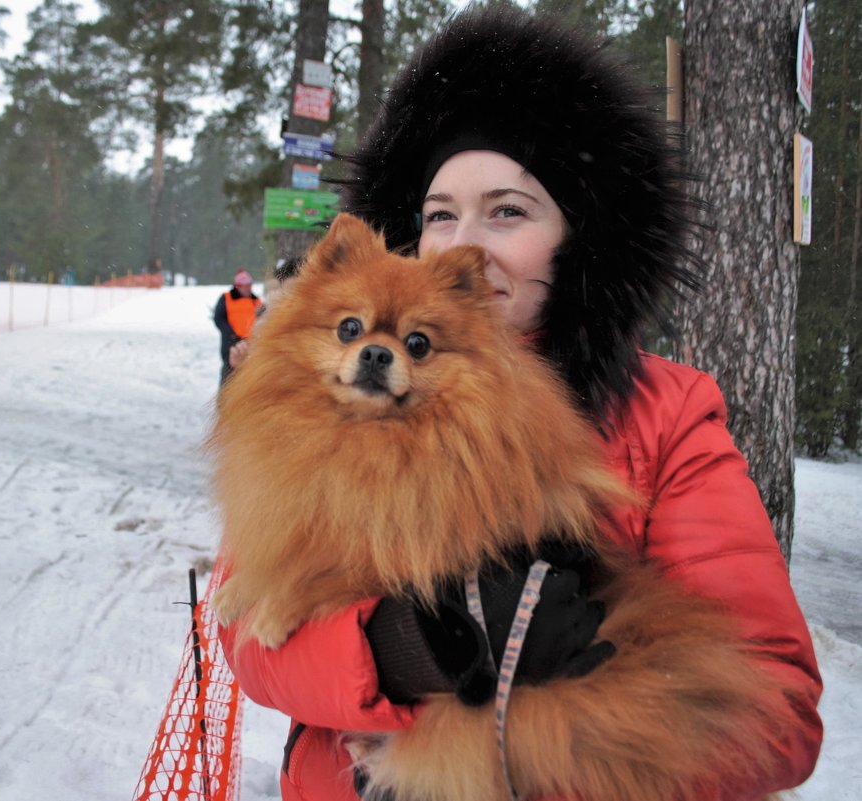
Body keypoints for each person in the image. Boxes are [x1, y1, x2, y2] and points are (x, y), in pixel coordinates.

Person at [217, 5, 823, 800]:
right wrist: (405, 647)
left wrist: (549, 747)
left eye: (508, 210)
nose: (467, 241)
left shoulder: (668, 413)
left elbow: (776, 715)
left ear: (578, 237)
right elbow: (251, 642)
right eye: (439, 214)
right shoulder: (310, 413)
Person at [213, 269, 265, 386]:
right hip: (231, 344)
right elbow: (219, 319)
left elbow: (264, 320)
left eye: (250, 286)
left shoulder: (256, 301)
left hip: (251, 345)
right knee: (229, 378)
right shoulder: (226, 298)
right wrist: (231, 335)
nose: (248, 289)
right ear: (238, 286)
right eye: (245, 286)